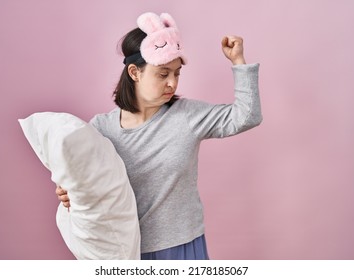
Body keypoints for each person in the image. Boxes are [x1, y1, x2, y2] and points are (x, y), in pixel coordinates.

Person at [56, 11, 262, 260]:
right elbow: (85, 185)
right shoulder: (101, 129)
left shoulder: (187, 116)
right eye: (163, 74)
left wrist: (238, 61)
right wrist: (69, 193)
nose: (172, 83)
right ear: (134, 73)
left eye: (177, 73)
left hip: (183, 247)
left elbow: (246, 116)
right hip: (126, 252)